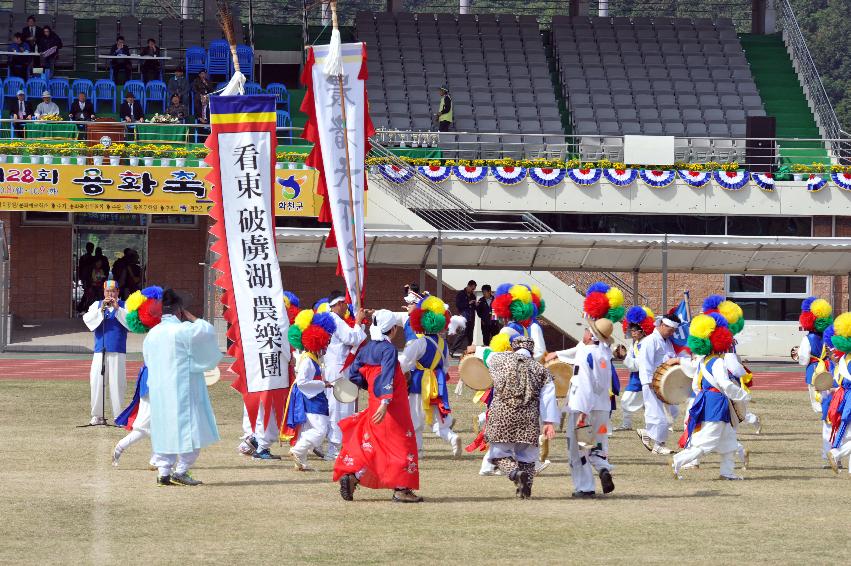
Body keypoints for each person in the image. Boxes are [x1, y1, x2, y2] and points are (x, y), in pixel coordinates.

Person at [334, 310, 422, 503]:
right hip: (392, 404)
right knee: (401, 443)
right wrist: (385, 400)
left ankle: (354, 476)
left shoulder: (365, 349)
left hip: (377, 401)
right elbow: (387, 374)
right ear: (393, 329)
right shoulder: (388, 350)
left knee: (376, 445)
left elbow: (354, 374)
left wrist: (372, 389)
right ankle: (401, 489)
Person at [145, 288, 222, 486]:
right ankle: (181, 470)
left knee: (165, 429)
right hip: (182, 389)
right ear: (179, 310)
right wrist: (192, 317)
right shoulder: (183, 330)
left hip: (160, 390)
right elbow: (207, 331)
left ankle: (163, 471)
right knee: (190, 430)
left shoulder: (152, 334)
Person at [673, 313, 750, 480]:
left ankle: (727, 472)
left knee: (728, 440)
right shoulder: (719, 362)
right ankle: (678, 461)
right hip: (717, 404)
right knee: (708, 441)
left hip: (708, 401)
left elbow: (696, 385)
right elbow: (725, 384)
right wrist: (743, 395)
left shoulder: (703, 361)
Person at [485, 335, 559, 498]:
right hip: (528, 416)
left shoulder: (498, 359)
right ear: (532, 351)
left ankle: (515, 474)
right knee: (528, 456)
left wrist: (473, 350)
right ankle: (525, 490)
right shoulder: (542, 370)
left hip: (502, 414)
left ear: (512, 348)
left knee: (499, 454)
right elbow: (548, 397)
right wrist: (548, 422)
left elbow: (483, 355)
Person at [399, 296, 461, 456]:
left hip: (419, 383)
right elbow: (446, 366)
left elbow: (404, 362)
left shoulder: (419, 343)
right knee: (437, 418)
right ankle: (452, 437)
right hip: (437, 384)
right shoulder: (443, 344)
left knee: (415, 420)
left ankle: (417, 451)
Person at [564, 318, 617, 497]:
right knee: (597, 446)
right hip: (602, 407)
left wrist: (582, 412)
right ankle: (603, 468)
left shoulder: (585, 353)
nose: (584, 333)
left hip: (583, 408)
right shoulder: (604, 354)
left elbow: (583, 383)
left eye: (587, 330)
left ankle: (585, 487)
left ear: (592, 335)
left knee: (577, 449)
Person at [287, 310, 336, 470]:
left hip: (313, 397)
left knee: (309, 429)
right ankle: (298, 450)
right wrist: (323, 384)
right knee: (320, 430)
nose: (326, 347)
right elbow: (302, 382)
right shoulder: (308, 360)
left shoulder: (313, 358)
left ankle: (300, 461)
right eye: (325, 344)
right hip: (311, 400)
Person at [323, 290, 367, 460]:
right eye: (345, 304)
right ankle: (334, 450)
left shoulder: (329, 319)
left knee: (338, 408)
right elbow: (352, 338)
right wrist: (358, 322)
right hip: (339, 369)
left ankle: (336, 447)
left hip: (334, 368)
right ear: (340, 303)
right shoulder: (334, 320)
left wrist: (359, 324)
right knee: (340, 409)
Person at [83, 280, 129, 425]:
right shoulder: (96, 305)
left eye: (113, 291)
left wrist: (117, 310)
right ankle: (97, 415)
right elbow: (88, 321)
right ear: (104, 293)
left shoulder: (124, 305)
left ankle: (119, 416)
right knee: (96, 382)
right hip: (99, 351)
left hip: (117, 350)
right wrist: (101, 310)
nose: (111, 294)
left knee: (117, 383)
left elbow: (130, 323)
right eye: (108, 291)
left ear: (118, 292)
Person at [636, 312, 682, 455]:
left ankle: (647, 433)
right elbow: (645, 364)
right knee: (658, 415)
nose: (672, 333)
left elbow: (672, 359)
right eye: (670, 330)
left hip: (665, 384)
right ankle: (658, 445)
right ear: (662, 325)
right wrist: (649, 382)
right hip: (652, 383)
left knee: (673, 412)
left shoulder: (667, 342)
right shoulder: (650, 341)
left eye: (674, 330)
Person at [616, 306, 654, 431]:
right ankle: (629, 424)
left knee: (627, 400)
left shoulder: (646, 343)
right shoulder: (636, 343)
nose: (632, 333)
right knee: (647, 403)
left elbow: (637, 365)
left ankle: (630, 425)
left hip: (641, 377)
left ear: (643, 330)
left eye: (635, 330)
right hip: (636, 377)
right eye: (631, 330)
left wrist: (624, 356)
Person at [450, 280, 476, 355]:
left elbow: (474, 307)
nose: (473, 290)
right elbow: (458, 305)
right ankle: (452, 349)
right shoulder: (461, 294)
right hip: (464, 317)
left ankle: (470, 351)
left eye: (474, 289)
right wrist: (468, 303)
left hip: (471, 318)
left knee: (470, 334)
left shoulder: (472, 295)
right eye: (472, 288)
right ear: (469, 286)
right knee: (462, 333)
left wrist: (475, 304)